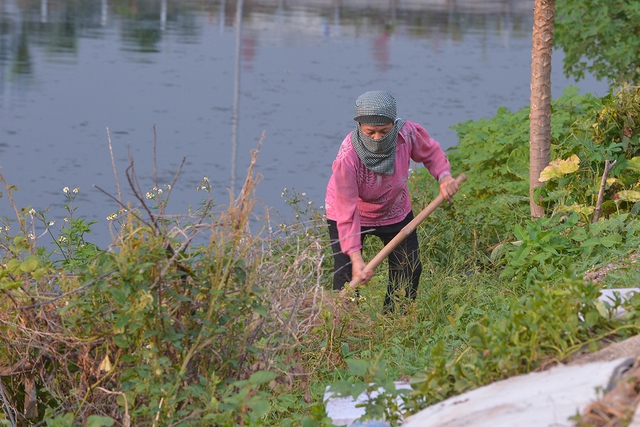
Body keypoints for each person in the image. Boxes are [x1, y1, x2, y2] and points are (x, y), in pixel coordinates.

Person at [325, 91, 459, 311]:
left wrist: (444, 176)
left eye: (384, 131)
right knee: (347, 274)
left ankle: (395, 322)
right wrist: (357, 259)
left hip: (394, 210)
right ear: (359, 127)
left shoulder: (407, 134)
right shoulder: (347, 159)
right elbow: (346, 211)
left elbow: (431, 153)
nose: (377, 137)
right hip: (351, 214)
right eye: (370, 132)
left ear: (393, 125)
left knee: (408, 267)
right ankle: (345, 326)